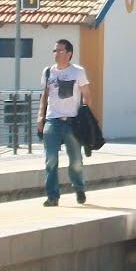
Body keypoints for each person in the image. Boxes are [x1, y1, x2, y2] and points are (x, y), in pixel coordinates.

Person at [37, 39, 91, 206]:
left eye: (60, 51)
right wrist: (40, 115)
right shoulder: (48, 72)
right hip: (52, 120)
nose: (56, 54)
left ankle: (79, 187)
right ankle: (52, 196)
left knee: (75, 161)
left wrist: (88, 119)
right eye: (55, 51)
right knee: (50, 160)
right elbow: (44, 96)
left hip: (72, 122)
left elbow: (87, 95)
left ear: (69, 53)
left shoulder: (78, 72)